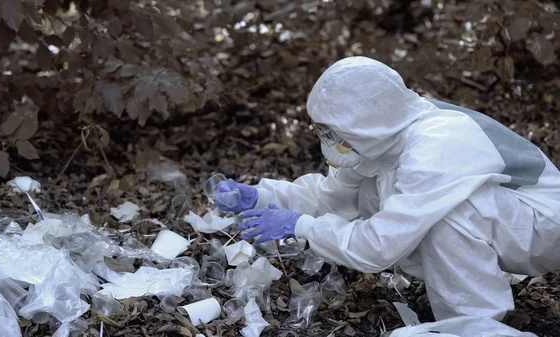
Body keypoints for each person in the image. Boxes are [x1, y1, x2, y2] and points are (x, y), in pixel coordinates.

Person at [215, 56, 560, 322]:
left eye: (332, 131)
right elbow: (334, 196)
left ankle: (475, 324)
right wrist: (264, 196)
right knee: (370, 190)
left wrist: (302, 226)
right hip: (512, 221)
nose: (328, 141)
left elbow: (378, 247)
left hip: (545, 227)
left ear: (361, 121)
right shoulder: (386, 134)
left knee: (447, 216)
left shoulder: (438, 143)